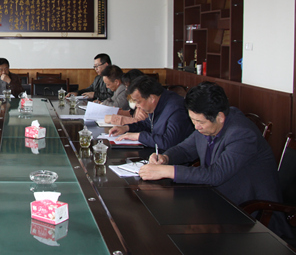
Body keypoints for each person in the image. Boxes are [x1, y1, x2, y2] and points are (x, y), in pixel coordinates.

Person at [139, 82, 283, 216]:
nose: (196, 127)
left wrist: (167, 171)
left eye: (199, 122)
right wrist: (165, 158)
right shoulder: (208, 124)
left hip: (250, 213)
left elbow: (216, 174)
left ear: (220, 117)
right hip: (216, 200)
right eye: (193, 120)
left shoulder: (242, 134)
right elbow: (185, 149)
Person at [109, 76, 193, 150]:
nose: (137, 106)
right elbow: (147, 124)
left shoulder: (176, 109)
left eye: (138, 101)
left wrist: (138, 136)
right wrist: (126, 128)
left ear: (151, 98)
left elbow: (169, 142)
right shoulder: (158, 102)